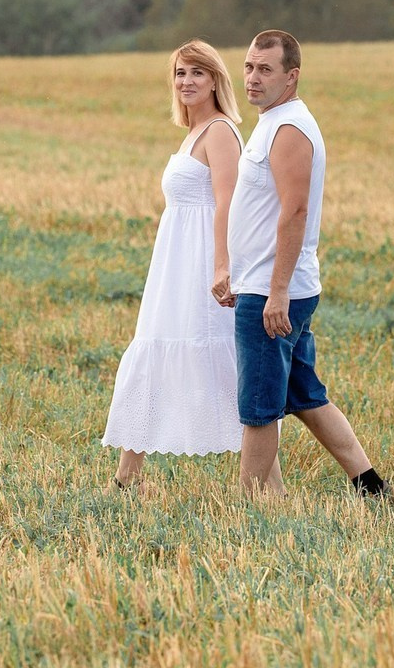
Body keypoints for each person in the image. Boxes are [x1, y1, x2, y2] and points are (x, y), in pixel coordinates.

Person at [224, 29, 394, 502]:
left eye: (266, 69)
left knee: (259, 406)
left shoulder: (289, 129)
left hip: (273, 291)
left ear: (292, 76)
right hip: (270, 285)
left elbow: (296, 211)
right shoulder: (273, 121)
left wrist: (277, 291)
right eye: (249, 66)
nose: (252, 77)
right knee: (305, 396)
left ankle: (253, 507)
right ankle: (374, 489)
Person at [102, 39, 246, 487]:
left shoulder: (220, 131)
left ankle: (264, 478)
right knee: (154, 349)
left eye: (197, 73)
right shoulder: (193, 133)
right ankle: (128, 477)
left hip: (202, 262)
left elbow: (228, 202)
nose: (186, 81)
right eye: (180, 73)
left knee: (221, 359)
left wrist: (221, 267)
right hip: (174, 263)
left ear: (215, 80)